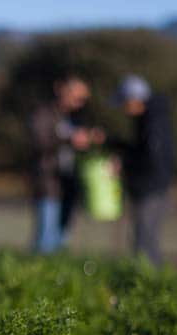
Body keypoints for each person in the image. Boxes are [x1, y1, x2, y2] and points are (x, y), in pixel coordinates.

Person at [28, 74, 102, 253]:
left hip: (68, 183)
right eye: (75, 95)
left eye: (82, 98)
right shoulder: (43, 114)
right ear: (60, 89)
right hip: (49, 183)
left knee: (61, 240)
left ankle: (56, 277)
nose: (79, 101)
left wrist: (91, 139)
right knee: (45, 240)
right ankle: (38, 276)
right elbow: (39, 142)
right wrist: (69, 139)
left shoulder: (76, 118)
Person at [113, 75, 175, 267]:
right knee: (143, 238)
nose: (123, 108)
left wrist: (125, 164)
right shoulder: (148, 119)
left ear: (134, 100)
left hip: (151, 188)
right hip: (150, 187)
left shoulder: (153, 123)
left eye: (124, 103)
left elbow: (150, 157)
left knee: (144, 240)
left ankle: (149, 282)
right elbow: (140, 150)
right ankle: (147, 279)